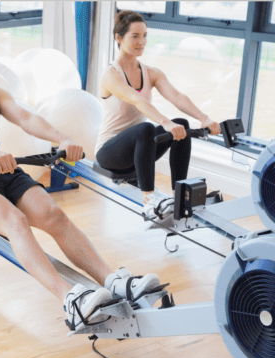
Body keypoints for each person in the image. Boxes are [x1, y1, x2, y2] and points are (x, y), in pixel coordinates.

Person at [0, 27, 161, 330]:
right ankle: (71, 300)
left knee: (54, 214)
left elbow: (26, 117)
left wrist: (61, 139)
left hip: (1, 171)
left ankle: (113, 281)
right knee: (14, 221)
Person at [94, 10, 222, 218]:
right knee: (146, 128)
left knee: (182, 123)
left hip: (140, 150)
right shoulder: (111, 75)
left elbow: (177, 96)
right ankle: (148, 200)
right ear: (118, 38)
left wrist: (203, 118)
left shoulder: (151, 72)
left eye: (144, 36)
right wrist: (165, 122)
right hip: (110, 153)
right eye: (134, 36)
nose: (141, 42)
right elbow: (137, 99)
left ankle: (179, 193)